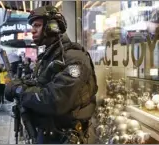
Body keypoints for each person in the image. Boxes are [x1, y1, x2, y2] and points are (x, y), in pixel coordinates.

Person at [5, 5, 98, 143]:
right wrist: (21, 83)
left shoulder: (74, 58)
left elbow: (55, 100)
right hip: (47, 134)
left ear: (52, 27)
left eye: (37, 25)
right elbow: (40, 84)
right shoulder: (50, 57)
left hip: (64, 137)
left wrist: (19, 91)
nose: (32, 30)